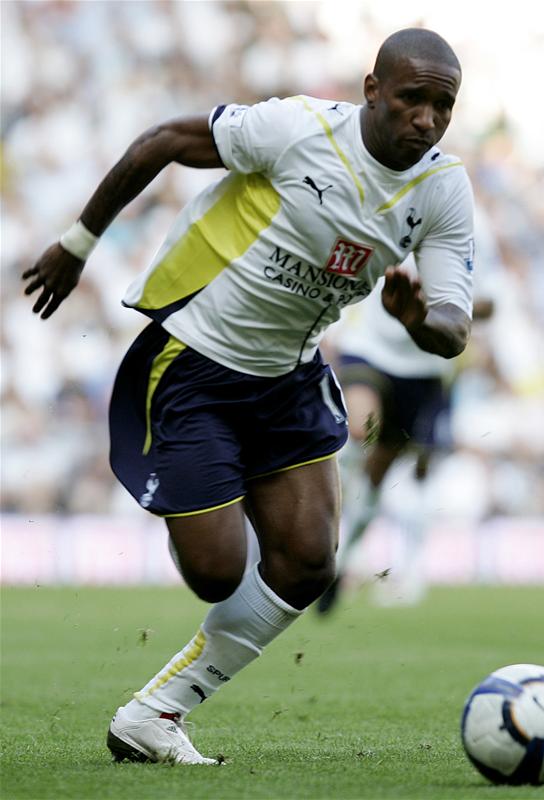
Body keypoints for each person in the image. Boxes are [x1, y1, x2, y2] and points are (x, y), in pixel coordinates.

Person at [23, 28, 475, 765]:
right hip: (195, 363)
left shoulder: (443, 187)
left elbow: (454, 327)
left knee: (307, 561)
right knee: (217, 572)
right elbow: (163, 140)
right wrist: (77, 244)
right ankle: (194, 491)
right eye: (411, 98)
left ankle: (154, 714)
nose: (425, 118)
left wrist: (422, 321)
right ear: (372, 90)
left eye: (443, 106)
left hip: (289, 379)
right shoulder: (298, 129)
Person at [317, 254, 495, 612]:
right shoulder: (383, 213)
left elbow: (491, 303)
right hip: (367, 351)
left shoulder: (464, 232)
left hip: (424, 370)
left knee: (378, 477)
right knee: (359, 427)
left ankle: (344, 561)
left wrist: (445, 305)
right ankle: (325, 528)